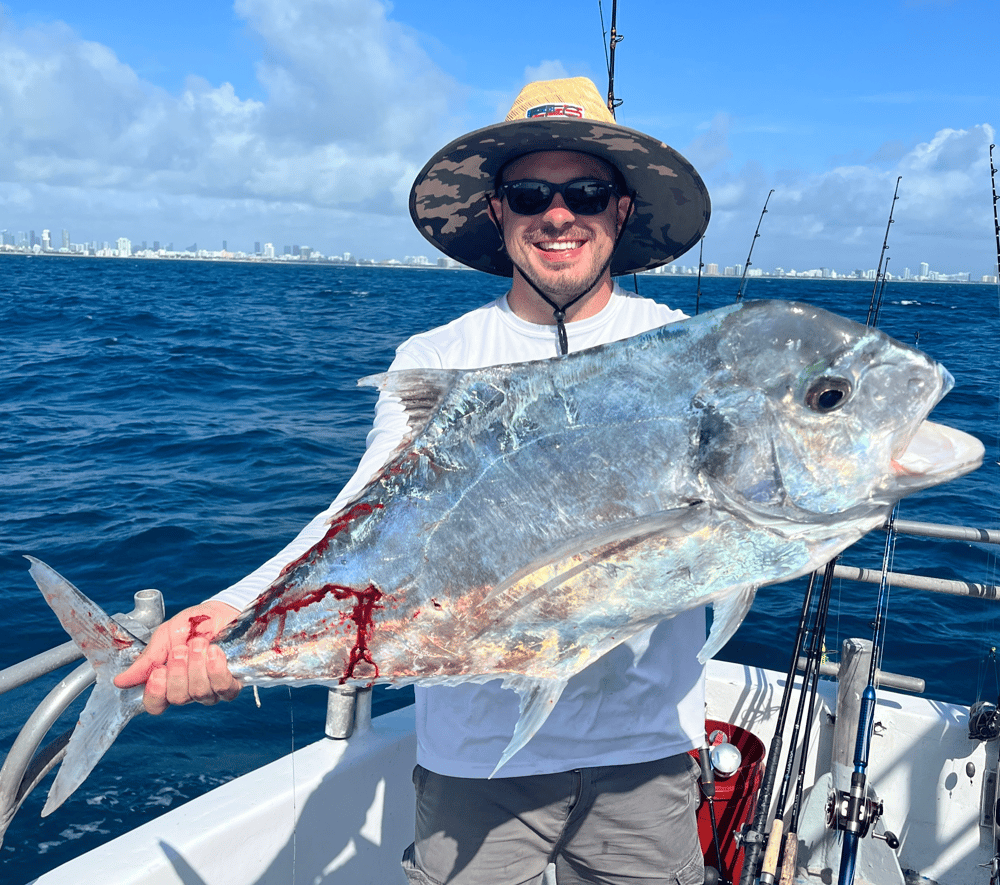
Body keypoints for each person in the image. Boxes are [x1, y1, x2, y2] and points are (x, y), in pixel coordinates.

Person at [116, 76, 713, 885]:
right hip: (473, 761)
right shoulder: (435, 360)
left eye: (587, 191)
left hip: (645, 759)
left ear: (623, 210)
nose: (559, 214)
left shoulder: (685, 354)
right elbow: (357, 520)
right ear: (497, 211)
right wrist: (231, 612)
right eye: (530, 192)